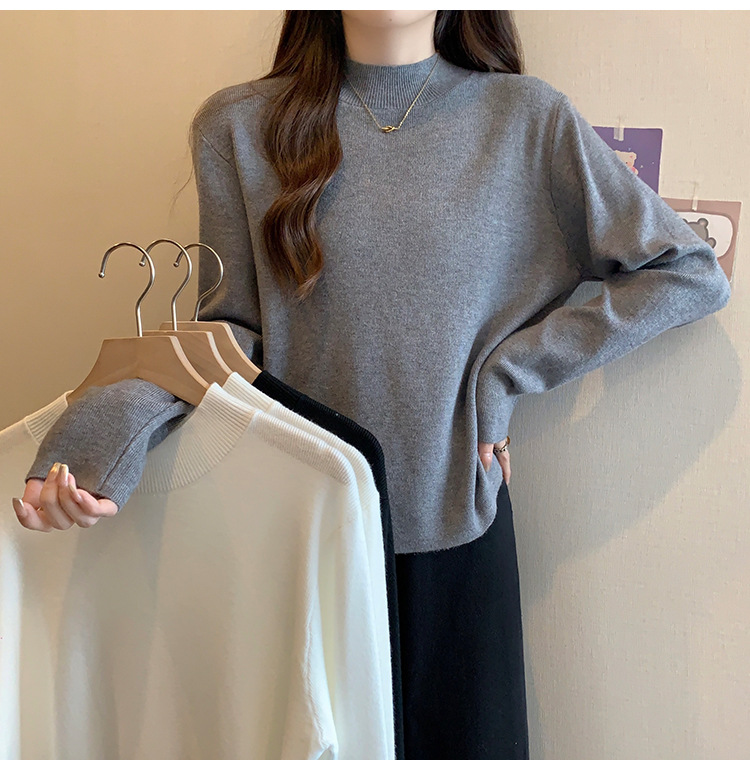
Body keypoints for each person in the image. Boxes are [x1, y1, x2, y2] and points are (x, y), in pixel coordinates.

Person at [12, 9, 731, 760]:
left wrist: (507, 374)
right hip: (296, 527)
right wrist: (100, 437)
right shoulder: (238, 125)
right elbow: (225, 337)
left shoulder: (526, 119)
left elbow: (686, 273)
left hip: (456, 519)